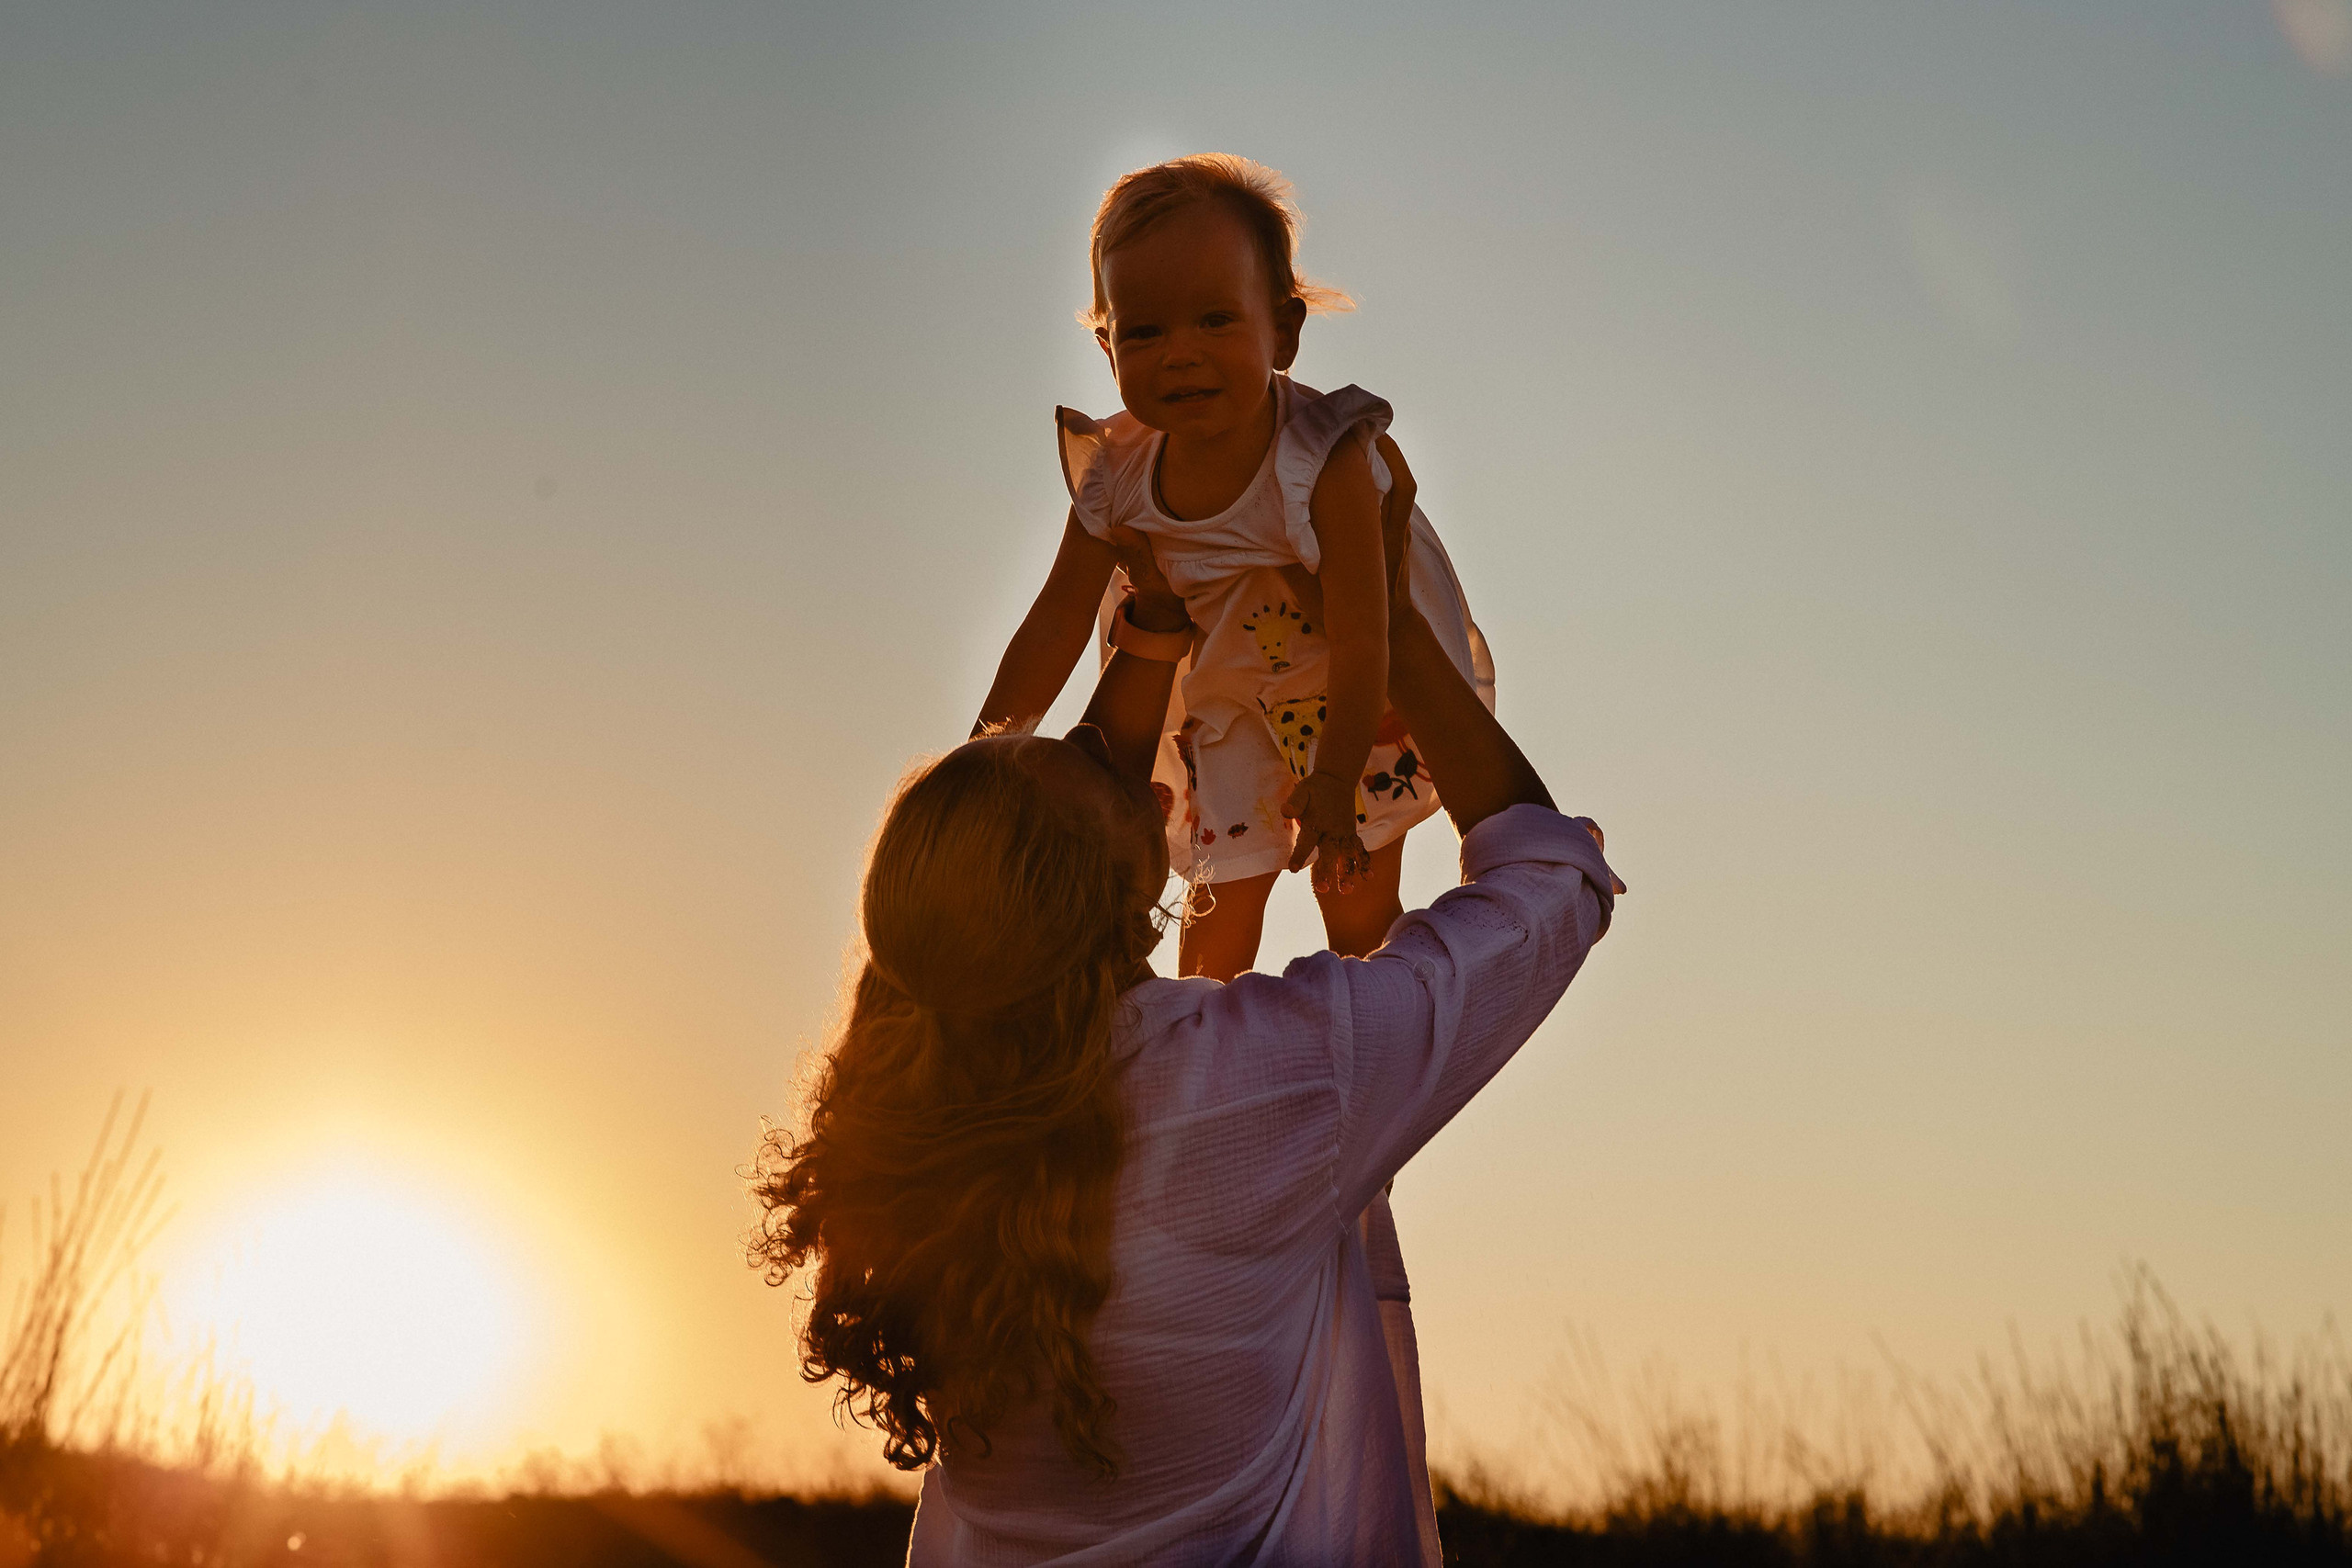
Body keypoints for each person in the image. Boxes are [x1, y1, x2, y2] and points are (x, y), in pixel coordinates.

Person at [752, 491, 1622, 1564]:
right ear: (1136, 857)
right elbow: (1549, 882)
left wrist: (1158, 624)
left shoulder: (914, 1145)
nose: (1113, 738)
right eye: (1101, 765)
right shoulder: (1268, 1080)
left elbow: (1058, 815)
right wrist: (1388, 628)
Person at [972, 153, 1495, 982]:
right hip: (1225, 710)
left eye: (1215, 320)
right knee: (1218, 912)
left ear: (1282, 330)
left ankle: (1373, 1028)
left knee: (1356, 902)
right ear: (1107, 348)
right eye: (1145, 332)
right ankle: (1201, 1044)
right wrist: (986, 755)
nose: (1180, 354)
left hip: (1346, 700)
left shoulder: (1319, 457)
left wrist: (1333, 776)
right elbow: (1056, 619)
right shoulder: (1118, 472)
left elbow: (1367, 630)